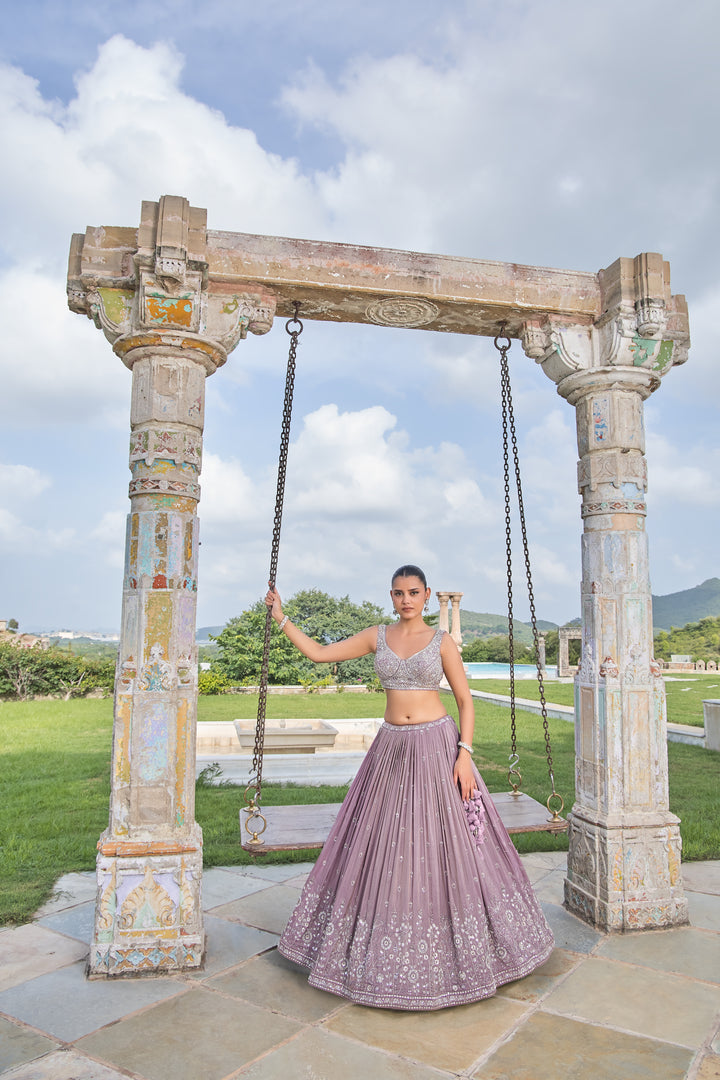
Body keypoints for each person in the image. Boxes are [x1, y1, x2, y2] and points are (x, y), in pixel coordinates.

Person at [264, 565, 554, 1010]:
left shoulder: (441, 642)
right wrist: (281, 617)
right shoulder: (376, 636)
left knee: (444, 845)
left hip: (437, 745)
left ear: (426, 595)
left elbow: (465, 701)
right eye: (398, 593)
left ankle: (465, 952)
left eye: (413, 592)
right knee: (384, 843)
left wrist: (465, 753)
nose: (405, 600)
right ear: (392, 596)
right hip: (391, 749)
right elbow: (320, 654)